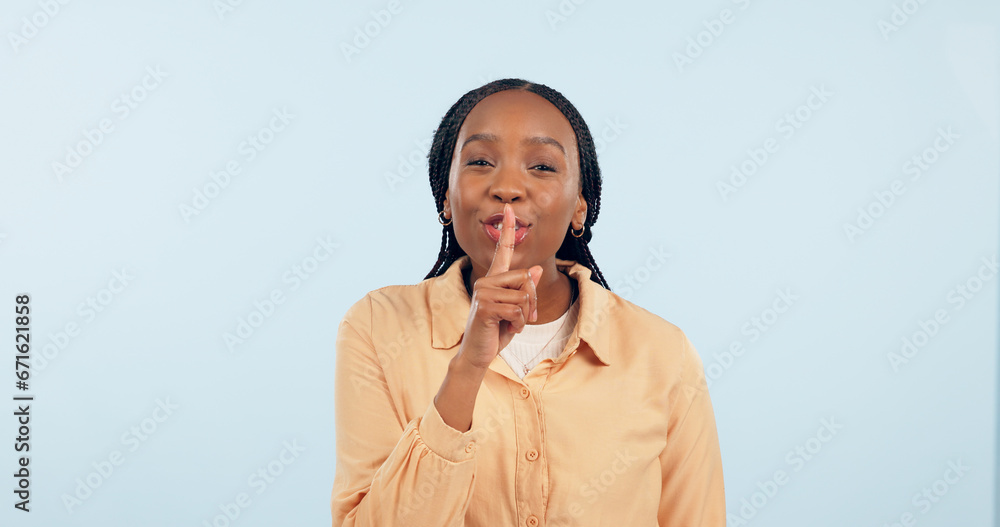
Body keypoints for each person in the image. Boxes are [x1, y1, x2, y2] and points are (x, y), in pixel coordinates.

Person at [331, 78, 725, 526]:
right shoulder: (377, 328)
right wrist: (467, 368)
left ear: (580, 206)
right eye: (480, 161)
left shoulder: (663, 353)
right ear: (446, 196)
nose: (508, 187)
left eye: (541, 166)